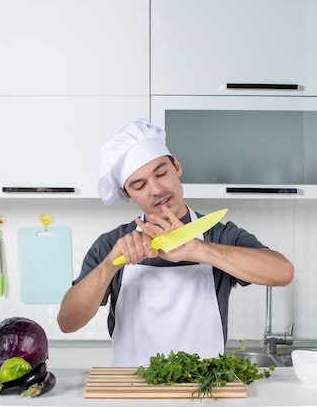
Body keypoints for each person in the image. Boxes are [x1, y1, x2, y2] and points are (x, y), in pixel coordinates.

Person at [57, 118, 294, 367]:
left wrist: (198, 249)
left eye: (161, 173)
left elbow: (283, 272)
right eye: (139, 185)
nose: (157, 189)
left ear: (177, 166)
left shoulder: (218, 235)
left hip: (203, 393)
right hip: (132, 394)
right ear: (128, 194)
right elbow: (67, 322)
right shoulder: (112, 246)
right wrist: (108, 266)